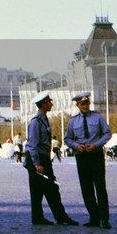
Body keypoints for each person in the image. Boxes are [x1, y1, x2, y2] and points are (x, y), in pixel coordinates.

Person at [23, 90, 79, 226]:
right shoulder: (36, 122)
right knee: (37, 192)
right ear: (43, 104)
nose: (52, 104)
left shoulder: (43, 119)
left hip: (43, 159)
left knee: (52, 189)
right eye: (49, 102)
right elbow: (32, 145)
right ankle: (38, 218)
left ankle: (61, 216)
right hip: (37, 160)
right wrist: (37, 164)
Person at [64, 91, 112, 229]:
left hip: (95, 155)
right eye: (82, 104)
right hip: (82, 156)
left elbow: (107, 133)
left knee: (100, 188)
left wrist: (96, 145)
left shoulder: (98, 117)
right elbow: (67, 138)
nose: (85, 106)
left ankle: (104, 219)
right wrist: (76, 146)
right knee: (86, 189)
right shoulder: (73, 121)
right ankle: (94, 217)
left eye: (87, 103)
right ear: (77, 105)